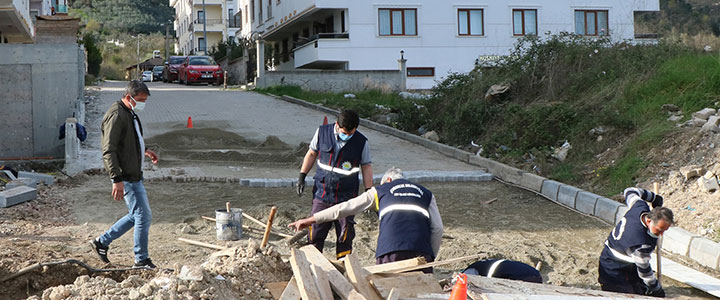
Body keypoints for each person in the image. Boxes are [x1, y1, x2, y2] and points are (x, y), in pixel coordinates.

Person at [290, 167, 443, 272]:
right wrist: (431, 257)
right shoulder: (427, 193)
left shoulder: (380, 190)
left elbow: (344, 208)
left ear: (388, 179)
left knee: (385, 290)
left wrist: (311, 220)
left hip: (390, 251)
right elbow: (437, 229)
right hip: (422, 252)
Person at [89, 80, 159, 269]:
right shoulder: (117, 115)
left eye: (145, 100)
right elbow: (109, 150)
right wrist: (116, 179)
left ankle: (102, 242)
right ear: (129, 97)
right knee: (143, 215)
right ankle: (141, 259)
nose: (143, 103)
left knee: (137, 214)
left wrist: (145, 150)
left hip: (133, 174)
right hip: (125, 176)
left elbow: (130, 140)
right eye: (140, 100)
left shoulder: (129, 112)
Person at [295, 109, 373, 259]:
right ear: (337, 125)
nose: (347, 136)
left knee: (345, 235)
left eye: (351, 133)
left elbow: (366, 166)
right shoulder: (322, 133)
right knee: (315, 233)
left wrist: (369, 191)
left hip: (347, 197)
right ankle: (314, 266)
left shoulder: (361, 142)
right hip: (322, 193)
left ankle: (343, 268)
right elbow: (312, 153)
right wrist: (302, 175)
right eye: (345, 133)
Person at [598, 187, 673, 298]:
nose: (661, 234)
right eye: (659, 230)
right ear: (649, 221)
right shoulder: (640, 244)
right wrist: (656, 289)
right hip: (613, 269)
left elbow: (630, 191)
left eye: (664, 231)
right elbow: (645, 273)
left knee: (642, 292)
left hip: (629, 264)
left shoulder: (639, 207)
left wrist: (653, 197)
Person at [462, 259, 542, 283]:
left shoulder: (473, 269)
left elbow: (465, 279)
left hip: (525, 276)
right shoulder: (484, 265)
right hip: (535, 275)